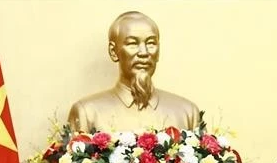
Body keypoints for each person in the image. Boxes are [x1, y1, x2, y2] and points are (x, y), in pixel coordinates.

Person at [68, 11, 200, 133]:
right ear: (113, 52)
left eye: (151, 43)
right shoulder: (87, 113)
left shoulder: (187, 113)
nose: (144, 52)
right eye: (132, 43)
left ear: (158, 51)